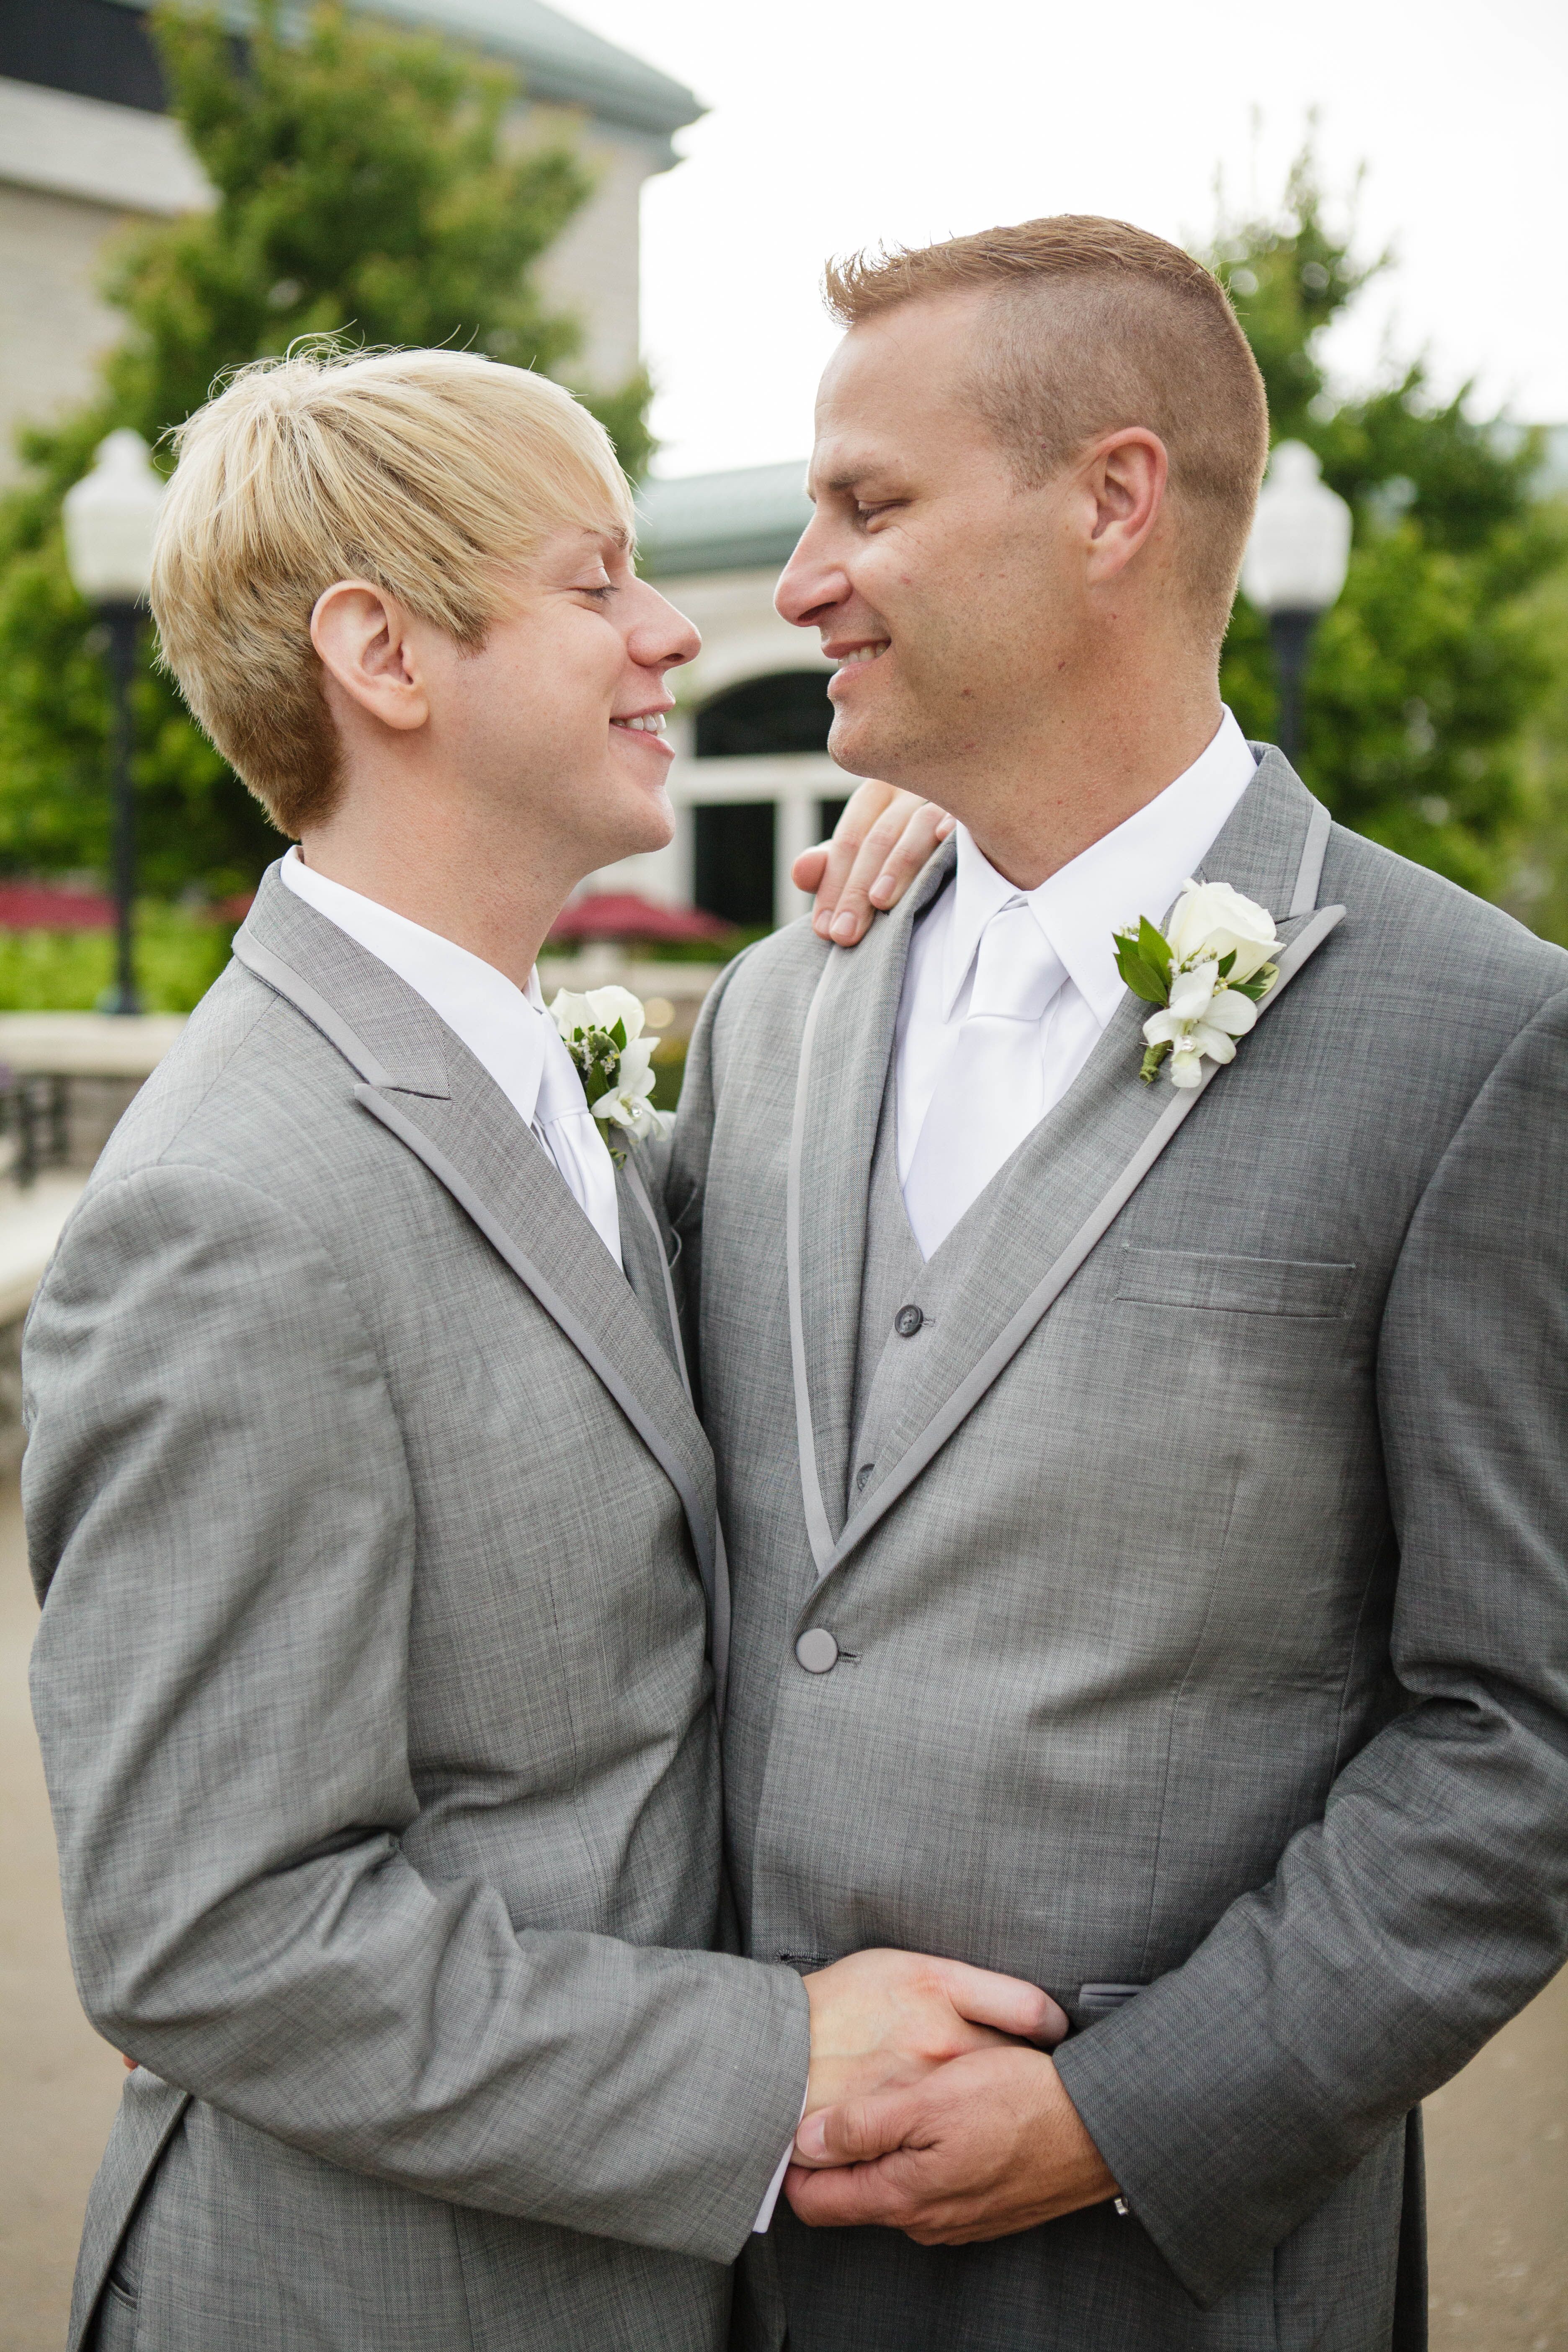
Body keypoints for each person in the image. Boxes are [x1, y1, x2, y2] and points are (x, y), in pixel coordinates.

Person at [23, 347, 1063, 2352]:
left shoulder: (517, 1082)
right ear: (384, 655)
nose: (678, 627)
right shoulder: (230, 1212)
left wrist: (982, 867)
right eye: (597, 583)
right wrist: (769, 2061)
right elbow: (208, 1936)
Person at [665, 216, 1568, 2351]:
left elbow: (1522, 1733)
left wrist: (1121, 2118)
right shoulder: (777, 1012)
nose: (797, 587)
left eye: (869, 505)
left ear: (1113, 502)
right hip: (711, 2239)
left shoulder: (1477, 1037)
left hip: (1167, 2274)